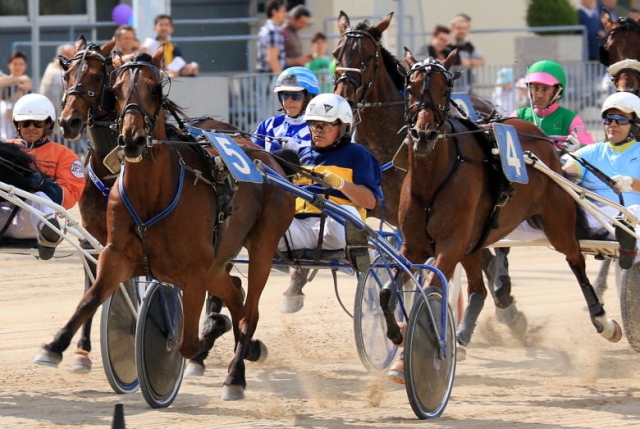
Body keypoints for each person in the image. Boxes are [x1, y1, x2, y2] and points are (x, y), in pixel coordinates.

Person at [278, 93, 381, 313]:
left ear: (343, 127)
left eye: (325, 125)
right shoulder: (301, 155)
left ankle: (369, 261)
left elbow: (369, 201)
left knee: (344, 212)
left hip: (335, 230)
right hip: (298, 231)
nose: (318, 130)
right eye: (314, 124)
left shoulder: (358, 154)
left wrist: (340, 183)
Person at [0, 94, 85, 260]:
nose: (31, 127)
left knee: (39, 196)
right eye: (25, 123)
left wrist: (43, 184)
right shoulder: (6, 149)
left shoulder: (65, 155)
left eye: (37, 123)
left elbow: (70, 196)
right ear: (18, 125)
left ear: (48, 124)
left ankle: (48, 237)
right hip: (3, 215)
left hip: (32, 223)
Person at [562, 91, 640, 270]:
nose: (612, 124)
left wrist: (630, 183)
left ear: (635, 124)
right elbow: (564, 175)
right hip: (596, 219)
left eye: (620, 119)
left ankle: (625, 231)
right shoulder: (591, 152)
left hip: (634, 221)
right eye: (609, 119)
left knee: (633, 212)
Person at [251, 66, 320, 152]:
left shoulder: (319, 129)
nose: (289, 101)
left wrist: (298, 148)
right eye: (285, 95)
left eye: (296, 96)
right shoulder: (269, 125)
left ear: (309, 98)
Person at [39, 44, 74, 143]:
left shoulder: (56, 69)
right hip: (55, 118)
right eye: (69, 55)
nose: (73, 58)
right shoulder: (56, 73)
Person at [447, 13, 485, 94]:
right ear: (452, 29)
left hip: (466, 89)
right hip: (448, 88)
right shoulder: (446, 45)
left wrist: (469, 62)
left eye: (465, 28)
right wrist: (463, 62)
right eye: (459, 28)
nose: (462, 31)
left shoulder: (468, 45)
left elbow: (481, 61)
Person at [0, 51, 32, 140]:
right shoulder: (5, 78)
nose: (18, 67)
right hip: (5, 117)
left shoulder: (27, 80)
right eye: (15, 64)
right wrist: (18, 80)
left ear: (25, 66)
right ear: (9, 65)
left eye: (21, 64)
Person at [256, 0, 288, 74]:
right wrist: (281, 79)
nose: (285, 14)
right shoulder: (273, 31)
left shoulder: (267, 28)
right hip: (270, 76)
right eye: (283, 11)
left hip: (266, 75)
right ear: (274, 12)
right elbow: (272, 60)